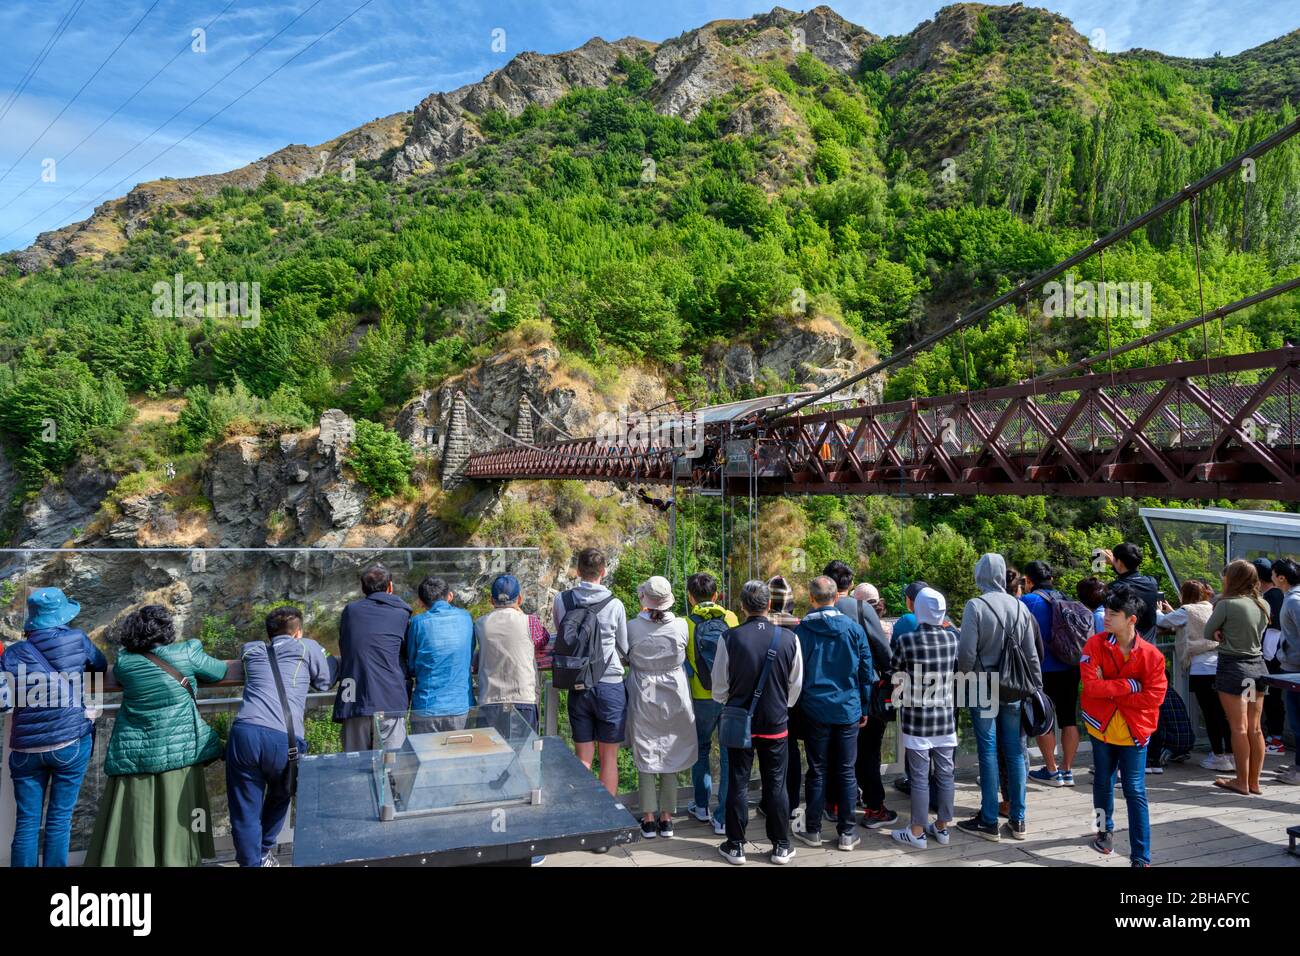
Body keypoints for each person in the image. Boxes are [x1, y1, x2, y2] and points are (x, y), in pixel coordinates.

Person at [86, 605, 228, 866]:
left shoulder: (125, 663)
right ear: (167, 630)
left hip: (136, 752)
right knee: (188, 812)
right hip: (181, 750)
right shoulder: (187, 652)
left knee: (141, 814)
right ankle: (185, 857)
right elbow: (218, 671)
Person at [0, 587, 107, 867]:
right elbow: (99, 666)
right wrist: (92, 705)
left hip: (24, 748)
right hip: (69, 741)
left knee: (26, 822)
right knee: (59, 819)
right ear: (61, 616)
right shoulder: (77, 640)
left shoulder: (13, 653)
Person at [227, 606, 337, 867]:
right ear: (298, 632)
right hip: (284, 739)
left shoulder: (251, 649)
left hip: (245, 733)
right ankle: (264, 850)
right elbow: (325, 681)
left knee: (244, 807)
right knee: (281, 793)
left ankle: (250, 863)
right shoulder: (307, 647)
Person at [713, 580, 804, 866]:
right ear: (769, 605)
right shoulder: (789, 638)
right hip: (775, 722)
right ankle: (780, 845)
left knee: (738, 783)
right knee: (776, 784)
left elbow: (719, 688)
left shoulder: (729, 638)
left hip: (740, 722)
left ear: (742, 606)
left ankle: (736, 845)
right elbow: (795, 686)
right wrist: (779, 705)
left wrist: (735, 701)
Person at [956, 553, 1041, 842]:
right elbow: (1030, 654)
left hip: (982, 684)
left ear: (980, 574)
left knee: (988, 752)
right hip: (1015, 686)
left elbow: (966, 654)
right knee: (1016, 751)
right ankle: (1018, 819)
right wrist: (1036, 688)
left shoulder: (975, 606)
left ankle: (989, 819)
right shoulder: (1020, 606)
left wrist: (966, 678)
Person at [1082, 586, 1167, 867]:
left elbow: (1154, 696)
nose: (1106, 617)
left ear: (1131, 619)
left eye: (1113, 613)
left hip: (1135, 731)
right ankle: (1101, 830)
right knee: (1101, 784)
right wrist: (1130, 686)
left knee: (1135, 791)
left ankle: (1141, 856)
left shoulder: (1152, 655)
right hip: (1101, 728)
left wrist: (1110, 689)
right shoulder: (1093, 645)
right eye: (1106, 611)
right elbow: (1090, 688)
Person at [792, 575, 874, 852]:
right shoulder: (853, 629)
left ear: (811, 599)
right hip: (848, 708)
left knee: (816, 770)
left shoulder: (801, 632)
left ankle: (813, 829)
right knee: (846, 771)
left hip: (814, 709)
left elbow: (796, 676)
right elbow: (865, 671)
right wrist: (864, 706)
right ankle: (847, 833)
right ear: (837, 597)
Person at [626, 576, 697, 840]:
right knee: (672, 748)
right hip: (674, 689)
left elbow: (625, 654)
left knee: (645, 746)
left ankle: (647, 818)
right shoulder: (680, 625)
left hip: (644, 687)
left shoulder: (632, 627)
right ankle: (667, 817)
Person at [553, 548, 629, 795]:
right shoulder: (615, 604)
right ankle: (610, 818)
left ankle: (584, 816)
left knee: (583, 756)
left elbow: (564, 635)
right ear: (603, 572)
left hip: (578, 682)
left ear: (577, 571)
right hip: (610, 685)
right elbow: (624, 646)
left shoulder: (562, 601)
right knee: (609, 758)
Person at [889, 587, 959, 849]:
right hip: (945, 716)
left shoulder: (907, 641)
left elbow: (894, 670)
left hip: (916, 718)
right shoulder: (953, 639)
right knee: (945, 774)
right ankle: (942, 828)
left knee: (919, 777)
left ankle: (916, 832)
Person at [1205, 559, 1270, 796]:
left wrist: (1220, 632)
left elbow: (1207, 631)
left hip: (1233, 668)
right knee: (1255, 729)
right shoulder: (1263, 604)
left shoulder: (1226, 604)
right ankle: (1255, 783)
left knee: (1238, 728)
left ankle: (1241, 782)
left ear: (1232, 578)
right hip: (1257, 670)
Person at [332, 565, 412, 752]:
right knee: (391, 769)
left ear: (363, 588)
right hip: (390, 698)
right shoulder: (401, 614)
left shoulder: (350, 612)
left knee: (355, 767)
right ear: (390, 587)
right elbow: (407, 653)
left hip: (353, 699)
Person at [684, 571, 738, 835]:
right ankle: (723, 817)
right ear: (717, 595)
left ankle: (702, 806)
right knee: (728, 755)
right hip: (729, 696)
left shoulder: (686, 623)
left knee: (701, 749)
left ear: (690, 597)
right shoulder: (731, 618)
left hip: (701, 696)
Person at [1157, 580, 1230, 771]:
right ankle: (1231, 754)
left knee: (1210, 714)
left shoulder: (1186, 611)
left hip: (1202, 668)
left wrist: (1157, 609)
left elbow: (1163, 621)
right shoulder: (1211, 607)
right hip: (1221, 664)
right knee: (1224, 714)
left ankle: (1218, 756)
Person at [1022, 562, 1079, 787]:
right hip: (1070, 666)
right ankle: (1067, 769)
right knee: (1068, 719)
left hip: (1043, 669)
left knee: (1043, 719)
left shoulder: (1028, 601)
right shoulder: (1067, 598)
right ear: (1051, 579)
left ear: (1029, 580)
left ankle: (1052, 771)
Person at [850, 582, 898, 828]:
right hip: (874, 697)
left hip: (850, 696)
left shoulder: (849, 621)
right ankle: (874, 807)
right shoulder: (886, 627)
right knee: (870, 752)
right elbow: (888, 660)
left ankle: (844, 801)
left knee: (852, 752)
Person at [406, 576, 474, 732]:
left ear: (420, 602)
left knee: (425, 756)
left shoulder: (417, 623)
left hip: (427, 707)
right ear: (449, 596)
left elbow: (411, 665)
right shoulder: (466, 618)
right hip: (460, 706)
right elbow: (469, 653)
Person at [475, 574, 541, 732]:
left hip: (489, 699)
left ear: (491, 600)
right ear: (519, 599)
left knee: (491, 755)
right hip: (523, 697)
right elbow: (542, 640)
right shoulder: (530, 621)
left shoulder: (480, 624)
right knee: (523, 755)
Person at [768, 574, 805, 821]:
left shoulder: (760, 625)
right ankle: (791, 802)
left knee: (768, 753)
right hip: (794, 697)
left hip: (767, 699)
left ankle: (770, 801)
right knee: (791, 751)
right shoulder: (799, 626)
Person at [1255, 558, 1287, 755]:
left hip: (1272, 659)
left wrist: (1265, 657)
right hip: (1275, 657)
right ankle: (1273, 738)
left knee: (1273, 699)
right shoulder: (1275, 595)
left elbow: (1274, 630)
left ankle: (1276, 739)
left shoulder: (1273, 596)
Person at [1272, 558, 1300, 785]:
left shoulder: (1293, 601)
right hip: (1291, 667)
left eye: (1273, 573)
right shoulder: (1290, 599)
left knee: (1298, 721)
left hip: (1296, 670)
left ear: (1282, 577)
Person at [1100, 543, 1160, 638]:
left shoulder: (1114, 588)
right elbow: (1131, 577)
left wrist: (1114, 564)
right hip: (1148, 647)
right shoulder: (1152, 582)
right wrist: (1117, 563)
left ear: (1119, 562)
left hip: (1127, 647)